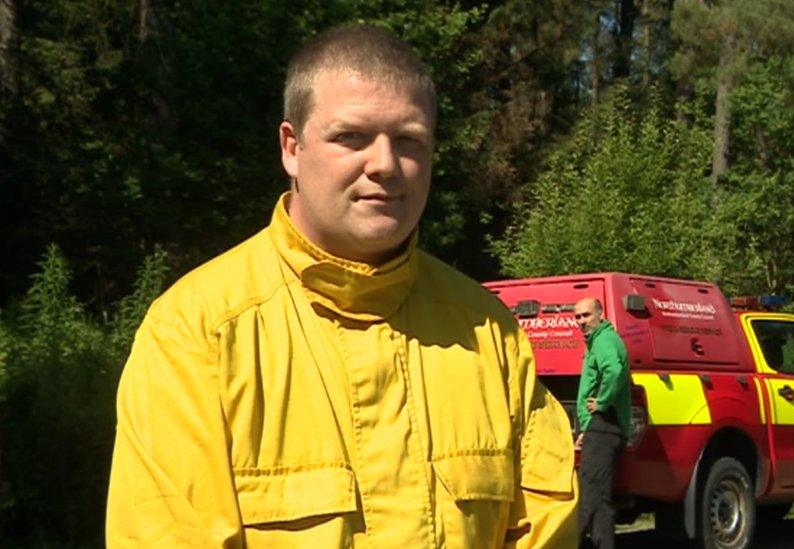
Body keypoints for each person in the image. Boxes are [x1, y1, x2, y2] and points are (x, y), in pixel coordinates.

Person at [106, 25, 578, 548]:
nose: (384, 164)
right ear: (292, 147)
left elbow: (546, 527)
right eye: (351, 137)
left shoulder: (490, 334)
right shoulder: (197, 335)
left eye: (409, 140)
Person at [573, 297, 630, 549]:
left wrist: (603, 402)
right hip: (600, 427)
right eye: (577, 317)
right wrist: (587, 428)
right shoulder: (598, 341)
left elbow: (614, 371)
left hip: (605, 424)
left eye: (586, 315)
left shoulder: (604, 340)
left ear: (600, 314)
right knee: (599, 498)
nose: (581, 321)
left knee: (590, 496)